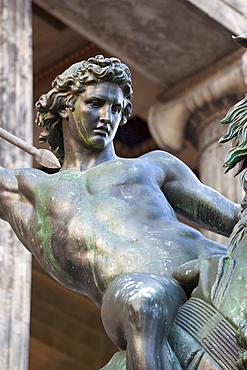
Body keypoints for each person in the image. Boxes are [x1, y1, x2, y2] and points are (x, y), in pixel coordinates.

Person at [0, 55, 241, 369]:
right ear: (64, 107)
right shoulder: (28, 191)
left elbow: (235, 220)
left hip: (209, 274)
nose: (106, 117)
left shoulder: (152, 165)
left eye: (116, 108)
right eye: (95, 103)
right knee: (140, 300)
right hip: (141, 297)